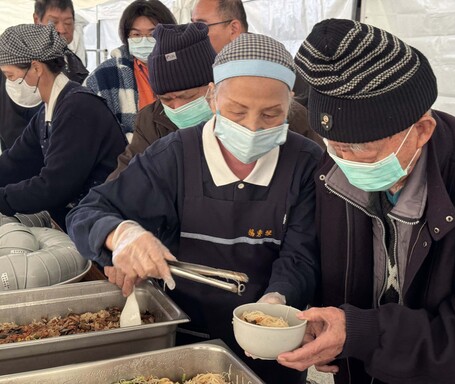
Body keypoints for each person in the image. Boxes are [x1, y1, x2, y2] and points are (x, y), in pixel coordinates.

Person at [67, 33, 322, 383]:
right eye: (237, 111)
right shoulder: (174, 155)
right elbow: (87, 214)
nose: (251, 127)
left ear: (291, 104)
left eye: (271, 114)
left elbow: (302, 254)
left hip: (271, 349)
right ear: (213, 97)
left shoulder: (306, 162)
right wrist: (122, 235)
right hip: (184, 343)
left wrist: (277, 302)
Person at [276, 19, 455, 384]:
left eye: (362, 150)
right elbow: (320, 257)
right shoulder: (331, 171)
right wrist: (314, 325)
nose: (346, 162)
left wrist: (363, 334)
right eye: (335, 147)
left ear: (421, 130)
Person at [0, 24, 127, 231]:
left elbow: (54, 186)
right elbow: (15, 162)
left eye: (11, 76)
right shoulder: (48, 112)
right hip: (81, 221)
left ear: (36, 68)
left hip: (106, 226)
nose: (10, 84)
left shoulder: (78, 109)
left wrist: (3, 199)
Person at [191, 0, 321, 146]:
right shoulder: (194, 70)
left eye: (200, 26)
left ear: (233, 28)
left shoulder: (278, 68)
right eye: (237, 112)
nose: (252, 127)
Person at [106, 22, 216, 181]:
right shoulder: (150, 119)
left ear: (213, 87)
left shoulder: (237, 117)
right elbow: (125, 175)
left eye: (187, 96)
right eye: (166, 99)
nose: (177, 107)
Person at [0, 0, 88, 151]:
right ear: (36, 20)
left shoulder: (77, 70)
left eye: (68, 23)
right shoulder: (12, 63)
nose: (61, 29)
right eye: (53, 22)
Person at [84, 0, 176, 141]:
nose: (144, 40)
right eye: (136, 35)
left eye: (152, 34)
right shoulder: (105, 75)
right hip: (128, 157)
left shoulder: (181, 69)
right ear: (127, 37)